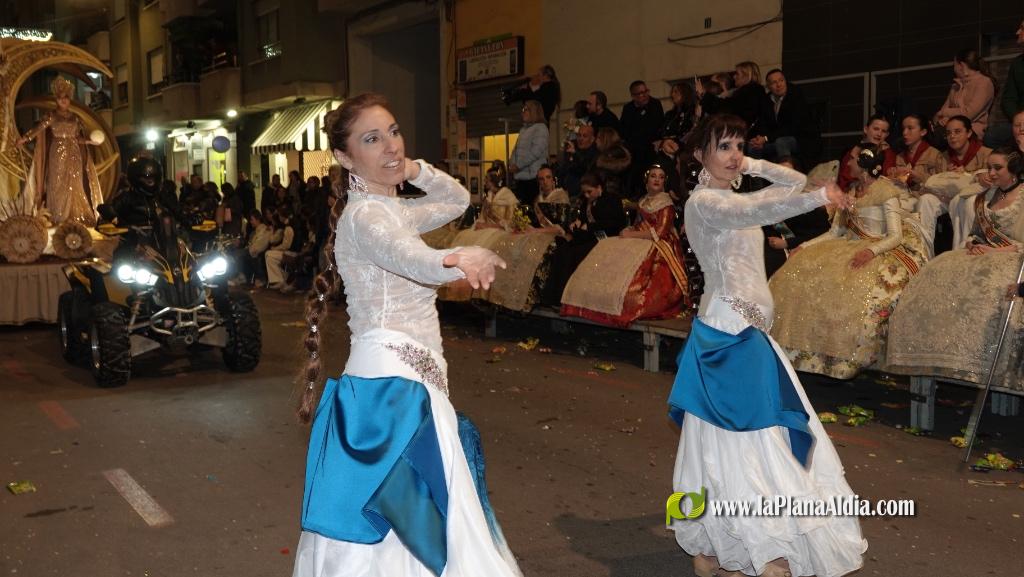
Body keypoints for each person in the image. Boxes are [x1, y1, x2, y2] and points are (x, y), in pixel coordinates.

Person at [290, 93, 520, 577]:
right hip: (395, 386)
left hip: (410, 376)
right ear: (344, 157)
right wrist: (455, 258)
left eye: (393, 131)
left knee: (409, 514)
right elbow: (407, 257)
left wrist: (411, 168)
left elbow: (456, 198)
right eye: (371, 139)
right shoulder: (367, 216)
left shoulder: (392, 208)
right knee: (409, 517)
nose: (390, 145)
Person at [668, 113, 865, 577]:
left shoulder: (732, 189)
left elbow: (792, 180)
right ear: (700, 155)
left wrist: (753, 163)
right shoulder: (703, 203)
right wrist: (820, 197)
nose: (734, 155)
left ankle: (718, 546)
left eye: (739, 145)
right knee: (745, 442)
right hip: (728, 333)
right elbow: (761, 210)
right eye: (724, 147)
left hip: (750, 333)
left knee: (749, 441)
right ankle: (755, 547)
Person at [771, 143, 928, 379]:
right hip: (846, 245)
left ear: (864, 164)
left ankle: (846, 358)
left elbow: (895, 235)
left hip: (879, 248)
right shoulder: (851, 191)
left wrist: (872, 251)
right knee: (799, 272)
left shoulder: (886, 192)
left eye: (853, 159)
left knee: (856, 287)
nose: (848, 163)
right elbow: (836, 232)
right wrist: (802, 246)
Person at [887, 147, 1024, 391]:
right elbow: (975, 233)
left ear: (1013, 172)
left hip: (1012, 258)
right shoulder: (986, 197)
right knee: (938, 274)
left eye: (997, 168)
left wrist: (994, 251)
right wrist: (972, 243)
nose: (990, 173)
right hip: (981, 254)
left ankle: (983, 361)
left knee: (988, 289)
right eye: (989, 167)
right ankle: (937, 356)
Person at [560, 164, 689, 327]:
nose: (657, 179)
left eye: (661, 177)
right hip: (640, 238)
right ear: (646, 180)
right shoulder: (643, 200)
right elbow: (638, 224)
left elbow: (660, 233)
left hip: (660, 244)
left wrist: (632, 234)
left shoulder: (666, 203)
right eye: (653, 176)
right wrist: (629, 229)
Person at [17, 76, 104, 225]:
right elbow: (39, 128)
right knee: (57, 183)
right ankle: (57, 217)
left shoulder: (75, 118)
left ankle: (76, 216)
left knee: (75, 183)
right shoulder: (51, 115)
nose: (63, 101)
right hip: (57, 151)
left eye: (66, 98)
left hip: (74, 152)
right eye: (60, 98)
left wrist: (90, 141)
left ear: (69, 99)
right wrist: (25, 138)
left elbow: (78, 138)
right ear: (56, 100)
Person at [541, 171, 628, 307]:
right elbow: (582, 219)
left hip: (605, 238)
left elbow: (615, 223)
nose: (587, 195)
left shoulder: (611, 200)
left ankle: (565, 298)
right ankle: (553, 296)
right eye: (585, 193)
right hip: (588, 237)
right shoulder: (586, 202)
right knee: (561, 250)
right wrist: (576, 223)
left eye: (589, 192)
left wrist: (591, 226)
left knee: (573, 254)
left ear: (599, 188)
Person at [933, 49, 996, 140]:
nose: (953, 68)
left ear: (961, 65)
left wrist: (947, 114)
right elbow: (940, 113)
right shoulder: (956, 86)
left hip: (972, 128)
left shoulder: (983, 82)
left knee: (935, 139)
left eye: (954, 65)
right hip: (951, 127)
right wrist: (943, 118)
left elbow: (969, 113)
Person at [837, 114, 897, 191]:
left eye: (883, 131)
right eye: (876, 129)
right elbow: (843, 182)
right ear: (866, 129)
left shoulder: (888, 154)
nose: (879, 134)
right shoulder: (853, 152)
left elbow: (889, 180)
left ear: (887, 135)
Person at [508, 100, 549, 204]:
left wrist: (518, 165)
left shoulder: (541, 128)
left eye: (525, 109)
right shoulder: (523, 130)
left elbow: (536, 152)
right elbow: (515, 149)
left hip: (533, 178)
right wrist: (511, 163)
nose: (522, 112)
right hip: (521, 177)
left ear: (533, 112)